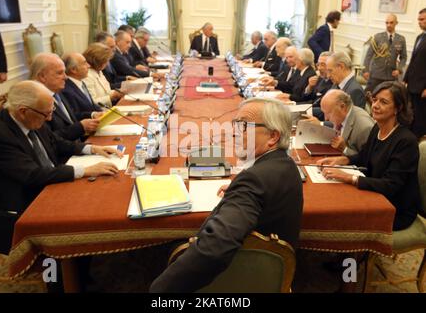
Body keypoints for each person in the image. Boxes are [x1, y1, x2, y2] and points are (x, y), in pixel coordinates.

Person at [150, 98, 304, 293]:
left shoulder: (254, 180)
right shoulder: (285, 164)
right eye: (235, 124)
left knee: (169, 248)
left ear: (273, 136)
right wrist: (240, 186)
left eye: (243, 126)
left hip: (243, 277)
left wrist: (160, 290)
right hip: (273, 269)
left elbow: (215, 248)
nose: (234, 132)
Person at [0, 80, 122, 255]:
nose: (50, 118)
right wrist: (85, 170)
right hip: (17, 207)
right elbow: (32, 174)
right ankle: (62, 273)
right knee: (83, 213)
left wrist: (92, 148)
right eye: (46, 114)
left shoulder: (31, 116)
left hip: (43, 185)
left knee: (102, 195)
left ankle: (80, 263)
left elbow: (56, 141)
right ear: (23, 111)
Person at [318, 82, 420, 231]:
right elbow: (363, 156)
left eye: (383, 102)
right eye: (375, 99)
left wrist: (349, 178)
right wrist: (343, 160)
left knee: (342, 217)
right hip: (375, 195)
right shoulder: (377, 128)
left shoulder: (406, 141)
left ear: (398, 108)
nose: (375, 105)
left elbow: (390, 185)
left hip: (394, 208)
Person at [30, 53, 100, 142]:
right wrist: (80, 127)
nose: (66, 77)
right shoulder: (35, 102)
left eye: (64, 72)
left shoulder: (56, 91)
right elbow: (49, 139)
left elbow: (69, 117)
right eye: (60, 73)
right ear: (42, 76)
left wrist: (92, 115)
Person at [304, 90, 375, 156]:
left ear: (342, 107)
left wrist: (344, 148)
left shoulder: (364, 127)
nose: (326, 118)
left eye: (328, 113)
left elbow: (367, 161)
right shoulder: (341, 116)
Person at [363, 14, 407, 92]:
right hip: (376, 75)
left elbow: (403, 57)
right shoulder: (377, 37)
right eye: (387, 23)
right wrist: (366, 70)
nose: (388, 25)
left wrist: (399, 69)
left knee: (386, 99)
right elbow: (368, 56)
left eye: (391, 22)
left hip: (390, 76)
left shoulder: (401, 39)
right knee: (369, 96)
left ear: (396, 23)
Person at [61, 53, 104, 121]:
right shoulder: (66, 89)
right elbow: (74, 115)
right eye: (84, 63)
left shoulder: (80, 82)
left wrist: (103, 112)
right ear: (73, 70)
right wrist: (92, 114)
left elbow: (91, 104)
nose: (88, 66)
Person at [404, 8, 426, 139]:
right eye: (418, 19)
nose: (419, 22)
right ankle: (410, 137)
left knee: (421, 116)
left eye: (422, 19)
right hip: (412, 84)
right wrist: (405, 79)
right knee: (411, 113)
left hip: (422, 87)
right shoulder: (420, 37)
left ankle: (418, 140)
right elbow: (413, 60)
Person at [83, 43, 124, 107]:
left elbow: (107, 91)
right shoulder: (87, 76)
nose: (107, 64)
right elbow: (92, 102)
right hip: (99, 113)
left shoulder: (99, 72)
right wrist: (111, 97)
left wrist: (118, 92)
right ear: (98, 60)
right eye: (106, 60)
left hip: (108, 109)